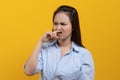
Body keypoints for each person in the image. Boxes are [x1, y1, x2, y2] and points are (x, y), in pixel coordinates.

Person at [24, 5, 94, 80]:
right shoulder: (45, 48)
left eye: (63, 24)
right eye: (55, 23)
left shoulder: (84, 55)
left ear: (73, 27)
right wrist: (41, 41)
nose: (58, 28)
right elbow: (28, 71)